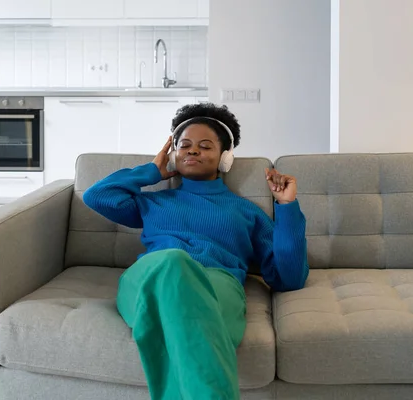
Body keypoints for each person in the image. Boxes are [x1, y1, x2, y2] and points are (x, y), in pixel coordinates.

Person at [83, 102, 308, 400]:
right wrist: (151, 171)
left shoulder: (245, 211)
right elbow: (96, 196)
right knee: (174, 262)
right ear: (174, 155)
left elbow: (288, 278)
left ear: (225, 159)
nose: (193, 151)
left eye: (205, 146)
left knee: (185, 308)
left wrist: (287, 206)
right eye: (184, 145)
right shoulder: (154, 201)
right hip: (153, 276)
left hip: (217, 283)